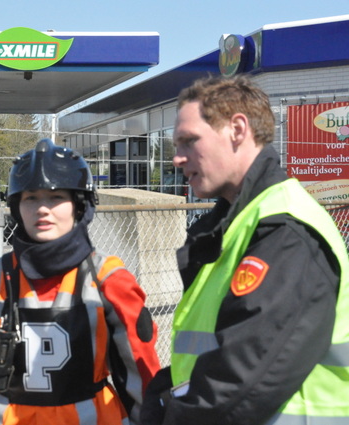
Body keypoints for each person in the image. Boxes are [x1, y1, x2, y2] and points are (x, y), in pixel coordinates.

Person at [140, 75, 349, 425]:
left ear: (237, 130)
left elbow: (241, 384)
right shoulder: (239, 223)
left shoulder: (284, 228)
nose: (177, 158)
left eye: (189, 141)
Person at [0, 138, 161, 425]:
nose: (42, 209)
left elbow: (141, 373)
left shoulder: (109, 279)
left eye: (56, 197)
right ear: (16, 207)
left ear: (79, 205)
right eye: (31, 198)